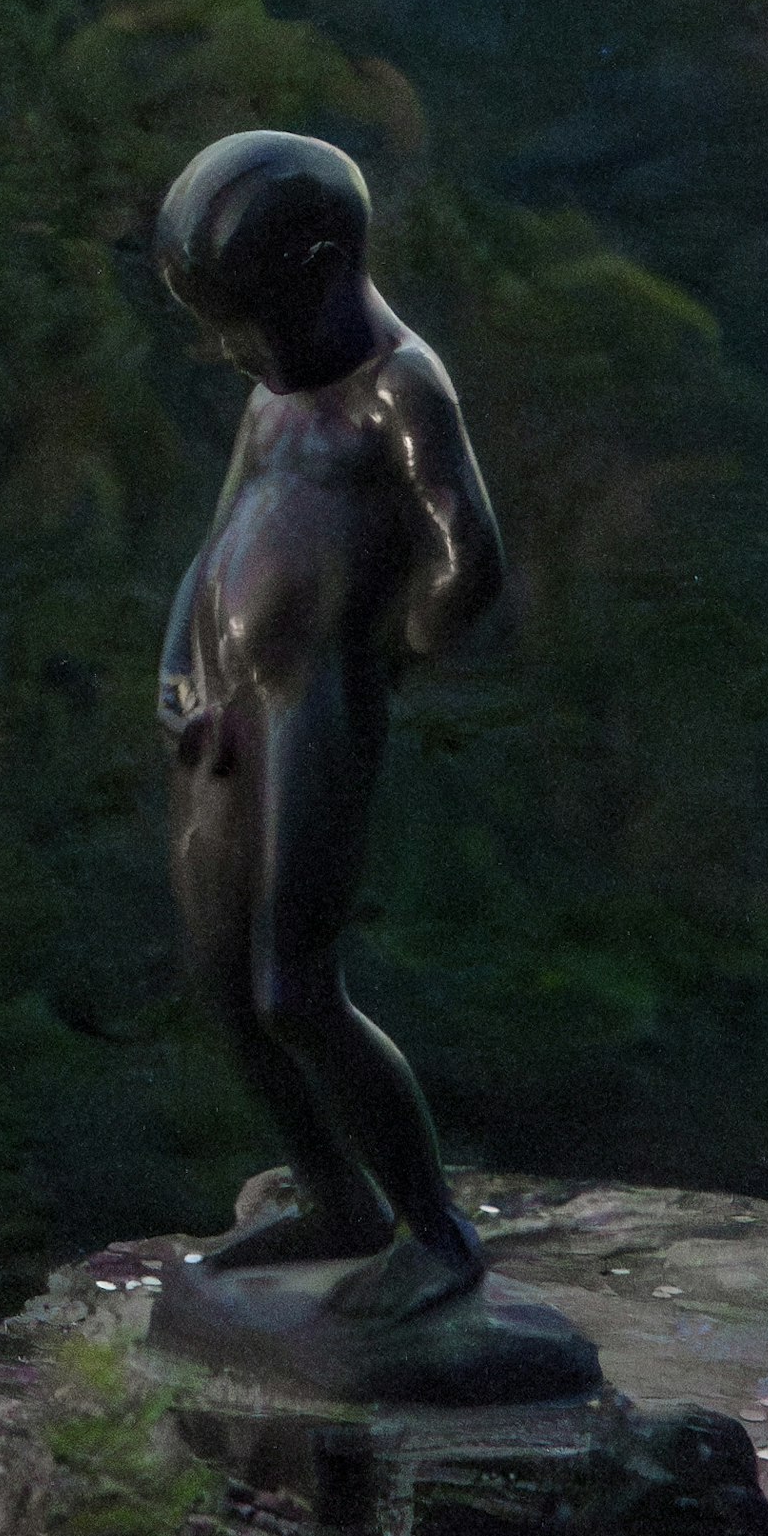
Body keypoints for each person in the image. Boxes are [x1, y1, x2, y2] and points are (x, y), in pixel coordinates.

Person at [154, 125, 504, 1323]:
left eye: (238, 318)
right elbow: (217, 542)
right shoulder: (272, 399)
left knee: (295, 986)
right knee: (219, 980)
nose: (225, 349)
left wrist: (382, 651)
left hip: (314, 712)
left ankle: (432, 1228)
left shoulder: (397, 389)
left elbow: (470, 556)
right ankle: (329, 1191)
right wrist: (178, 664)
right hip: (223, 717)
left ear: (314, 275)